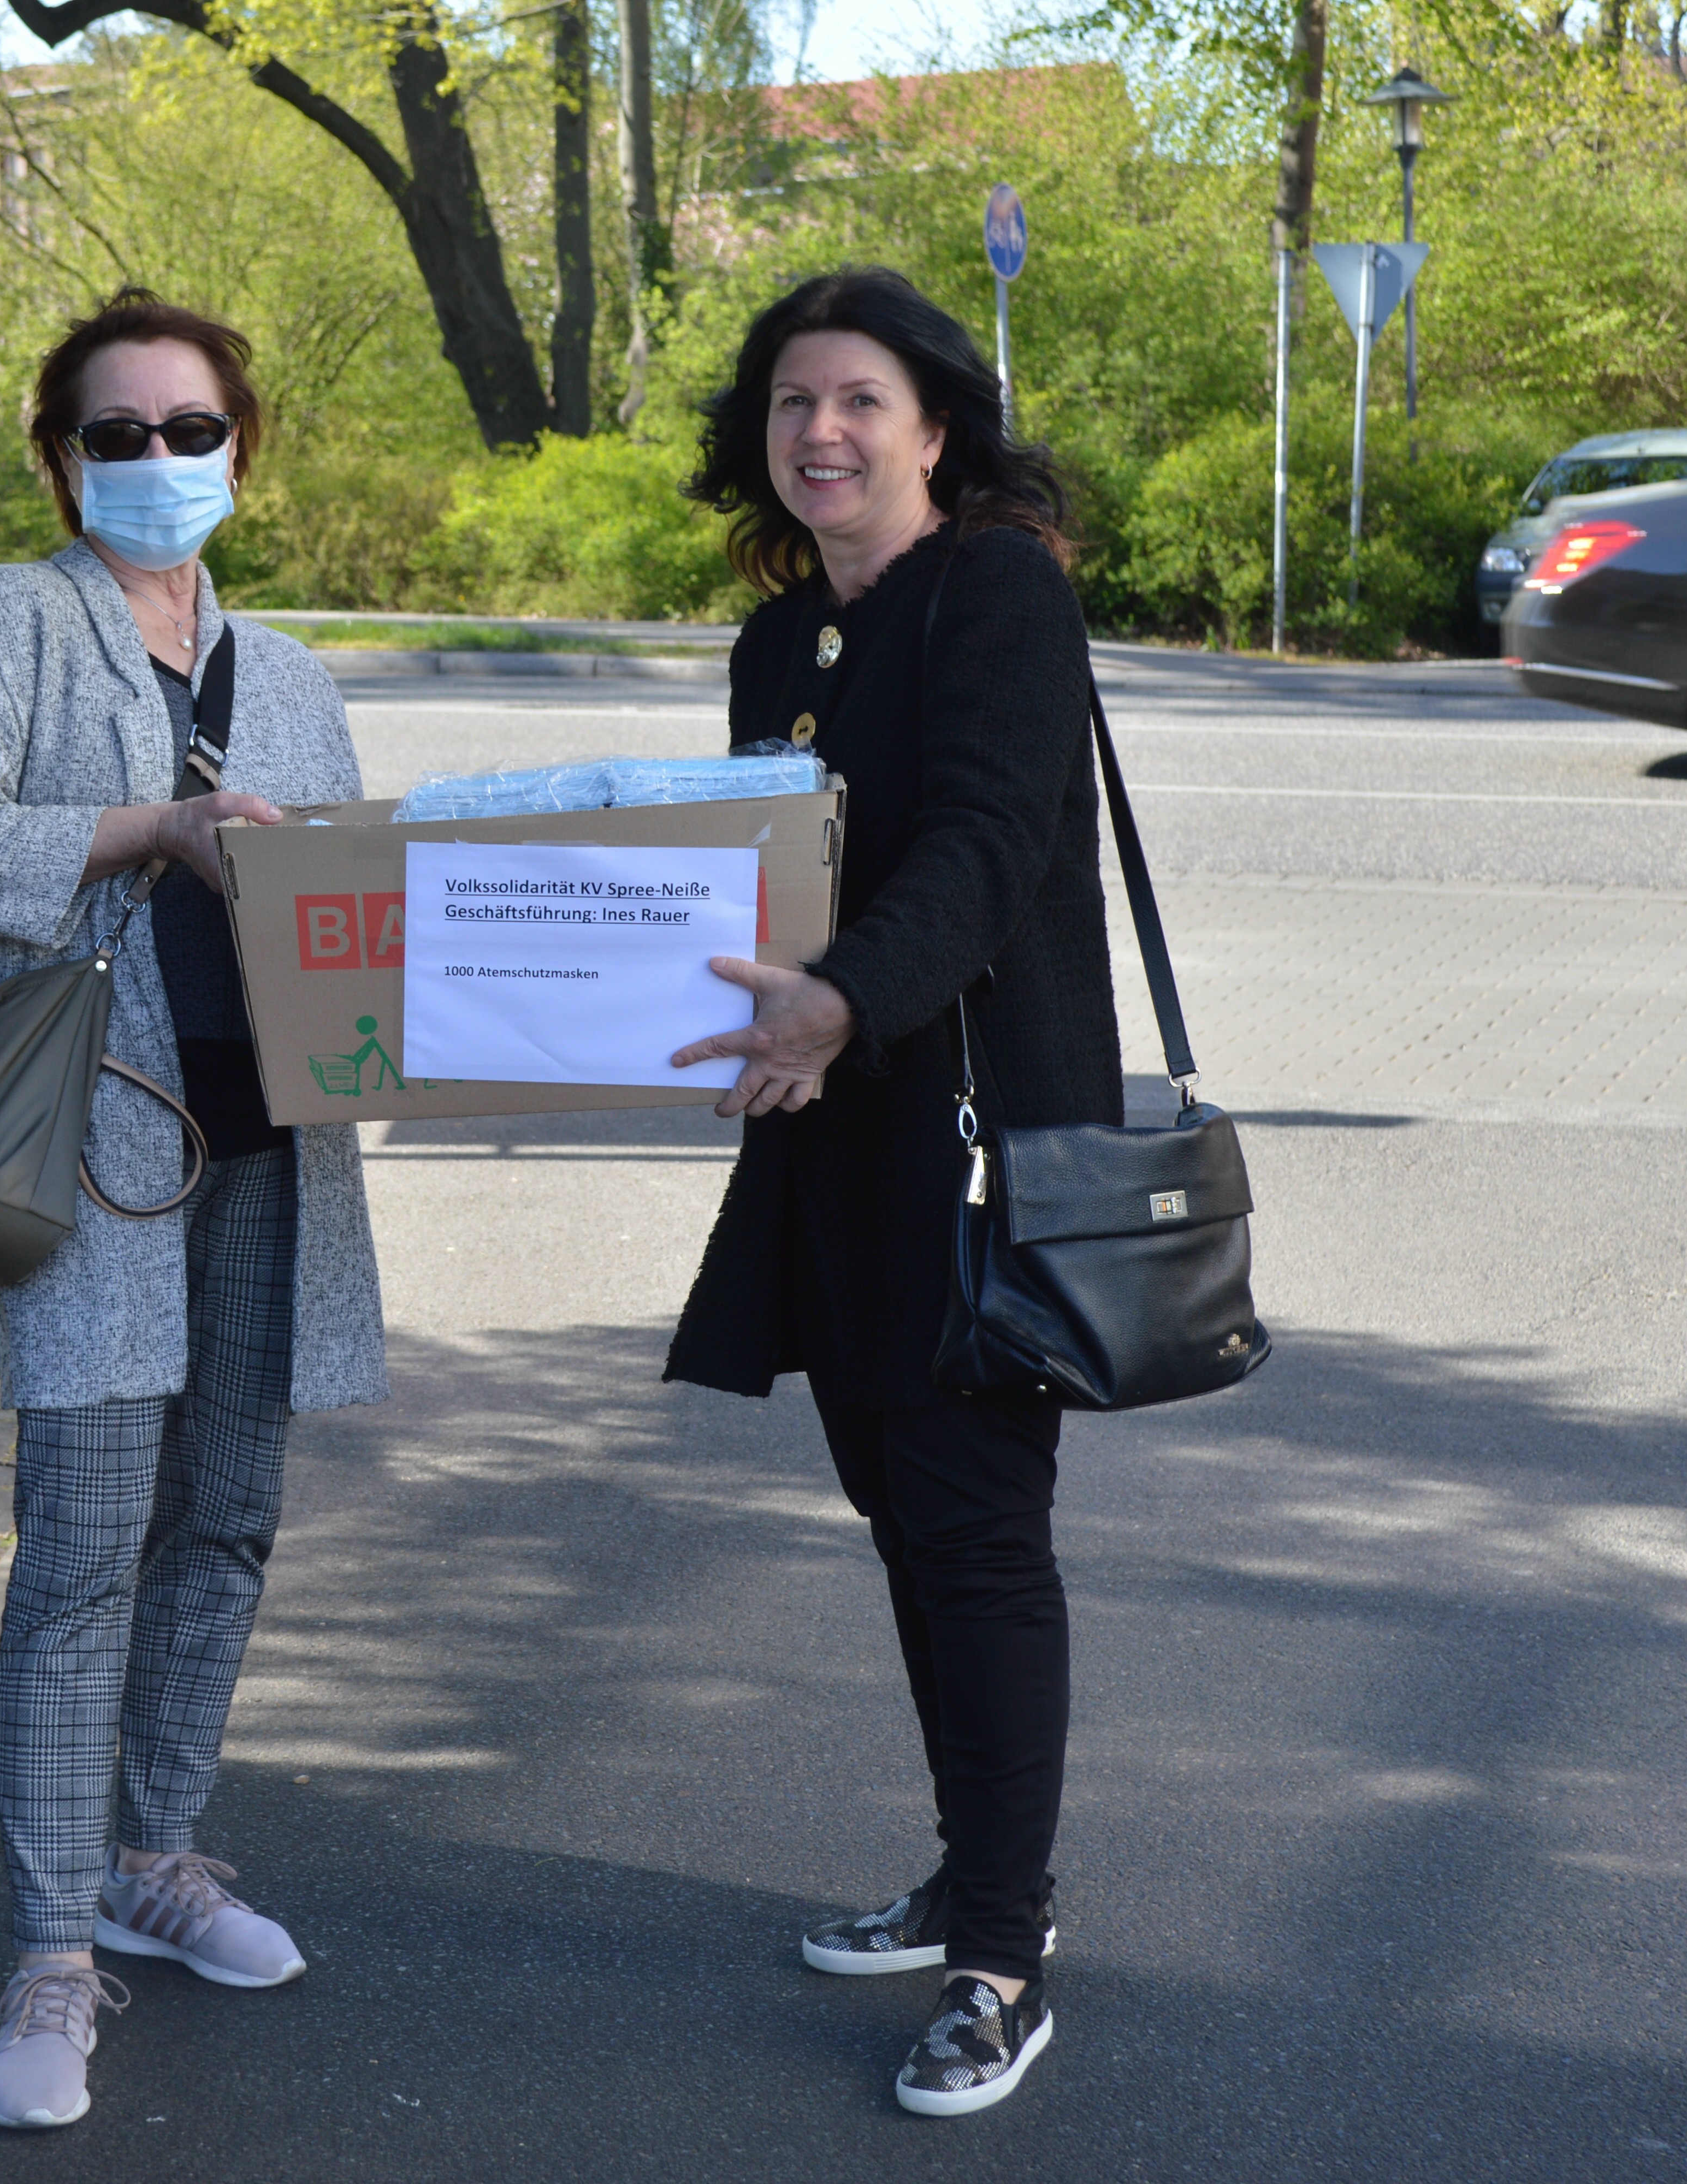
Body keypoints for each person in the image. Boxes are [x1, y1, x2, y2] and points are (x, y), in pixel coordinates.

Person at [0, 288, 388, 2133]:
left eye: (192, 429)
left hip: (277, 1153)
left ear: (242, 446)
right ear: (62, 454)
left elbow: (358, 919)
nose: (160, 459)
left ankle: (157, 1860)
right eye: (120, 432)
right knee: (87, 1540)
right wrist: (143, 830)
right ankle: (49, 1947)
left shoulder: (301, 676)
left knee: (229, 1518)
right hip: (96, 1146)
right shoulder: (18, 623)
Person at [662, 266, 1115, 2119]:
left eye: (858, 400)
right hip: (837, 1144)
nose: (820, 434)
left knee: (977, 1538)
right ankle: (972, 1879)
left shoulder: (1001, 591)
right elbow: (736, 879)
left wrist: (845, 995)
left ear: (937, 425)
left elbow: (994, 843)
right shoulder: (787, 641)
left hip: (977, 1143)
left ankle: (1006, 1956)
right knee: (907, 1524)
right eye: (790, 405)